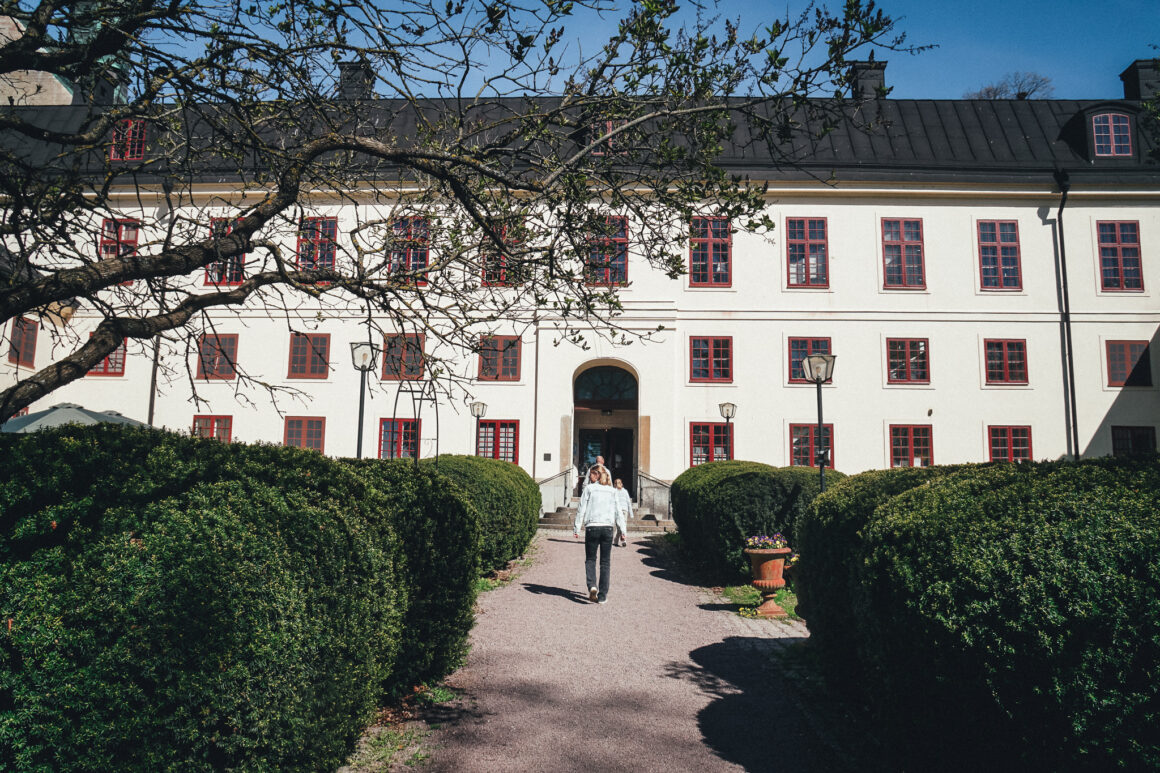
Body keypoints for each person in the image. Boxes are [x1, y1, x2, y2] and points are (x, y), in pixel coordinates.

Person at [573, 466, 626, 603]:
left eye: (591, 474)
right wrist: (623, 531)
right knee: (605, 562)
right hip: (607, 528)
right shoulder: (613, 491)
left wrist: (577, 528)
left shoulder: (589, 489)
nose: (589, 477)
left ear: (596, 475)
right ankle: (602, 596)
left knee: (590, 559)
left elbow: (581, 508)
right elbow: (618, 511)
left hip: (592, 527)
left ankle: (592, 586)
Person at [613, 478, 633, 547]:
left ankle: (617, 540)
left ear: (621, 484)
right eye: (616, 483)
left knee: (620, 526)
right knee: (622, 525)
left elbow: (628, 502)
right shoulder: (617, 491)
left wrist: (631, 512)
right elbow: (628, 502)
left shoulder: (621, 491)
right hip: (621, 510)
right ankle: (621, 539)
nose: (617, 484)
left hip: (621, 510)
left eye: (618, 483)